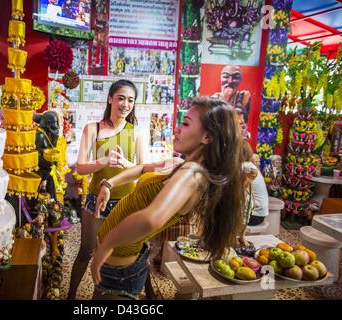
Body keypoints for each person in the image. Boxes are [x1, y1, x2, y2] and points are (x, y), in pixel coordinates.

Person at [90, 97, 246, 300]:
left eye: (186, 123)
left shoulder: (192, 174)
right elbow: (142, 168)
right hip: (121, 260)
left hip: (119, 267)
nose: (178, 128)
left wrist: (107, 245)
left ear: (207, 137)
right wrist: (109, 184)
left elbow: (150, 219)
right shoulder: (181, 164)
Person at [67, 79, 145, 300]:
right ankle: (70, 295)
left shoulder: (137, 132)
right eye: (121, 98)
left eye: (130, 100)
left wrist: (124, 163)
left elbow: (143, 170)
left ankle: (101, 296)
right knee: (86, 250)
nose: (125, 104)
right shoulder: (93, 129)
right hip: (95, 200)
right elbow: (81, 168)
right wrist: (104, 161)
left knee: (121, 253)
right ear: (110, 99)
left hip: (126, 203)